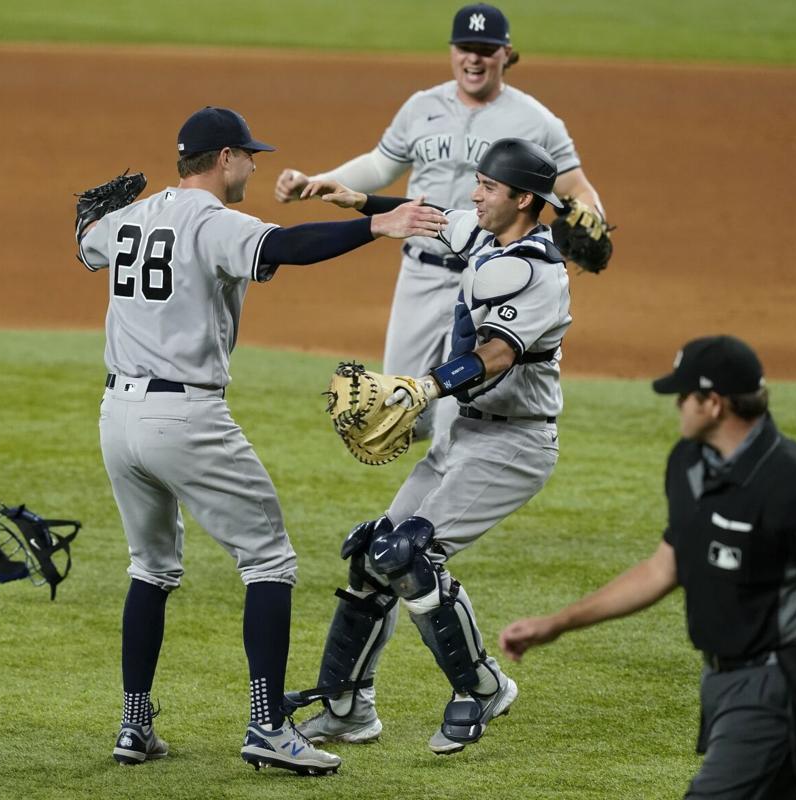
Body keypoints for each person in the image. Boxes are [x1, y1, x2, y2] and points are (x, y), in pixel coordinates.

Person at [76, 106, 445, 775]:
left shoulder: (130, 219)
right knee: (269, 559)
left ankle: (134, 726)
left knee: (150, 568)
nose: (254, 164)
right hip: (184, 418)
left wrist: (88, 223)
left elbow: (86, 240)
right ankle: (268, 726)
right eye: (250, 155)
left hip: (116, 419)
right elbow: (284, 249)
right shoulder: (213, 222)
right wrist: (379, 225)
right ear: (222, 159)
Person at [287, 138, 571, 754]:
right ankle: (346, 707)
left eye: (488, 187)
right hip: (460, 435)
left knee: (410, 555)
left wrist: (423, 386)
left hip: (513, 447)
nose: (475, 193)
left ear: (523, 199)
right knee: (371, 556)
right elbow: (435, 218)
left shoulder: (536, 271)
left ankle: (483, 687)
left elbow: (497, 353)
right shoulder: (487, 235)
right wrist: (358, 200)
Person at [274, 2, 604, 487]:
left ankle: (427, 531)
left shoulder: (537, 122)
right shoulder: (421, 106)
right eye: (465, 49)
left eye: (485, 51)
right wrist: (323, 180)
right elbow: (381, 164)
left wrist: (594, 217)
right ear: (451, 52)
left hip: (488, 280)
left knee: (459, 408)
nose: (474, 59)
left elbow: (577, 186)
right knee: (399, 408)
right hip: (420, 271)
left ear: (506, 54)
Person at [498, 334, 796, 798]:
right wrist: (557, 624)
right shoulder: (689, 464)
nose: (677, 406)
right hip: (723, 680)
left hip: (779, 685)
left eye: (683, 396)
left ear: (714, 403)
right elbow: (663, 568)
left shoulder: (793, 485)